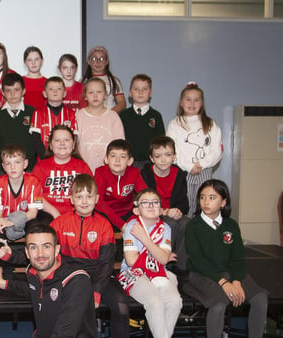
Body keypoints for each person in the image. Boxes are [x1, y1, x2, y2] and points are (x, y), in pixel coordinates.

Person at [50, 174, 132, 338]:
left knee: (122, 307)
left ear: (96, 199)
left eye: (89, 196)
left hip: (98, 274)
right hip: (69, 274)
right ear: (71, 199)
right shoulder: (59, 223)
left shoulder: (104, 225)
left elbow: (106, 264)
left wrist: (96, 291)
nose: (84, 201)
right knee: (58, 305)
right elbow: (48, 255)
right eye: (79, 196)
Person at [184, 179, 270, 338]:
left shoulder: (231, 225)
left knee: (260, 297)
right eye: (202, 197)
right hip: (200, 275)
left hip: (230, 274)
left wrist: (237, 281)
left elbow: (238, 259)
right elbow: (197, 259)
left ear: (223, 202)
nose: (206, 201)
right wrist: (224, 283)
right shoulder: (193, 225)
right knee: (219, 304)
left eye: (212, 198)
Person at [116, 189, 185, 338]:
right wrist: (157, 254)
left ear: (162, 208)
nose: (151, 205)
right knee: (154, 300)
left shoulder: (166, 228)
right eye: (145, 203)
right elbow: (131, 260)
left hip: (159, 273)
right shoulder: (131, 226)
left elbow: (163, 259)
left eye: (155, 202)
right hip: (132, 273)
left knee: (175, 301)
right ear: (136, 209)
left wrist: (145, 241)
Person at [166, 82, 222, 217]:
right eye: (188, 99)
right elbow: (172, 149)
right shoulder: (175, 124)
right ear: (181, 102)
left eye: (196, 100)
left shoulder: (211, 124)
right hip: (183, 171)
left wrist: (201, 164)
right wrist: (189, 166)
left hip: (205, 171)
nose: (192, 103)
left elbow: (217, 151)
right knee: (186, 206)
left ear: (202, 103)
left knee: (204, 204)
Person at [141, 136, 189, 271]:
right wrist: (164, 211)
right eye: (158, 156)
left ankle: (181, 267)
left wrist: (179, 210)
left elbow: (184, 202)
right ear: (151, 158)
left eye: (167, 155)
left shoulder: (179, 174)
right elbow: (144, 202)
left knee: (186, 223)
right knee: (170, 224)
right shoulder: (145, 174)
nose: (163, 160)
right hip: (154, 213)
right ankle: (162, 264)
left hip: (174, 212)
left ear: (174, 156)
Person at [32, 125, 92, 222]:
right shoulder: (41, 167)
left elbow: (90, 195)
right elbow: (35, 195)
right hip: (48, 213)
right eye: (57, 140)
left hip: (77, 213)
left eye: (67, 140)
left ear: (73, 145)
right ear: (51, 146)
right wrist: (55, 213)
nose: (62, 143)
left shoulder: (83, 167)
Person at [0, 144, 43, 241]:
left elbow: (33, 213)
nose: (13, 167)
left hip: (26, 220)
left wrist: (11, 221)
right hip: (4, 221)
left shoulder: (33, 182)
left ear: (25, 164)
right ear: (3, 167)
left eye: (17, 162)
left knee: (35, 228)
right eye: (8, 163)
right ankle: (2, 254)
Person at [94, 139, 147, 231]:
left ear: (130, 161)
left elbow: (145, 194)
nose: (117, 160)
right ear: (106, 159)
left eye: (122, 157)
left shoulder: (134, 172)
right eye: (113, 156)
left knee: (145, 222)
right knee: (99, 222)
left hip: (128, 214)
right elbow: (99, 203)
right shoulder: (100, 173)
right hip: (106, 215)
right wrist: (121, 225)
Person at [0, 72, 36, 171]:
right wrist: (7, 157)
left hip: (28, 165)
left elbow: (35, 139)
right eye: (8, 90)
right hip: (5, 166)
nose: (12, 94)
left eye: (16, 90)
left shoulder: (32, 112)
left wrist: (25, 158)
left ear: (23, 91)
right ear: (3, 92)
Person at [75, 77, 125, 171]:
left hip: (109, 171)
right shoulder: (78, 116)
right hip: (83, 170)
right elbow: (73, 145)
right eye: (91, 92)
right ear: (85, 96)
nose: (95, 95)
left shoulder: (113, 117)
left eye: (99, 92)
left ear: (105, 95)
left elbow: (120, 146)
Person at [119, 74, 166, 169]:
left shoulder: (156, 115)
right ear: (130, 93)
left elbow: (161, 141)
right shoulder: (123, 115)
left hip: (151, 163)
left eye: (144, 89)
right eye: (136, 89)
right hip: (128, 162)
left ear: (150, 93)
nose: (140, 92)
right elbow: (120, 140)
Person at [30, 76, 78, 154]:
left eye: (59, 89)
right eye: (51, 89)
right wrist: (46, 157)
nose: (55, 91)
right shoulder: (38, 113)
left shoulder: (71, 114)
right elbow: (35, 139)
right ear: (45, 94)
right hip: (44, 159)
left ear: (64, 94)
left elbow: (74, 138)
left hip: (66, 158)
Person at [81, 46, 126, 113]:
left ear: (107, 61)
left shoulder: (114, 81)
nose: (98, 62)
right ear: (88, 61)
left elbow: (121, 103)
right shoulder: (83, 81)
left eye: (102, 59)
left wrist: (108, 114)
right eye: (94, 58)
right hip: (89, 119)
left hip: (109, 119)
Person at [22, 46, 47, 110]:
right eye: (30, 60)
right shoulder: (19, 82)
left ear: (42, 61)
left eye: (36, 59)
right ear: (25, 62)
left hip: (43, 118)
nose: (33, 63)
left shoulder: (48, 83)